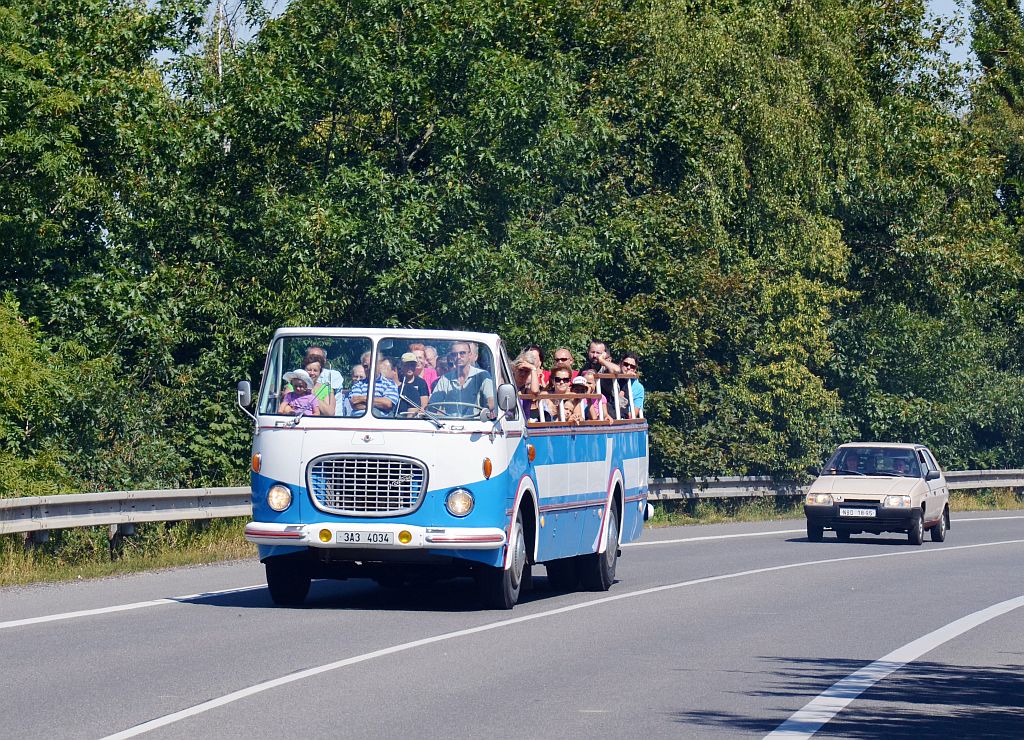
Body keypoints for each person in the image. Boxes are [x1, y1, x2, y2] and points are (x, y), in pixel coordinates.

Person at [428, 341, 495, 417]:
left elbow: (491, 401)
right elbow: (432, 406)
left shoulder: (482, 375)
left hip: (476, 421)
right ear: (451, 357)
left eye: (462, 353)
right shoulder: (445, 379)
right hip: (449, 422)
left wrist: (485, 412)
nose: (458, 357)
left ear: (469, 355)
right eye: (454, 354)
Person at [395, 352, 430, 416]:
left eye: (412, 365)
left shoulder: (421, 383)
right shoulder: (398, 381)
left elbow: (424, 405)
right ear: (401, 366)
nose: (410, 368)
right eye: (406, 365)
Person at [617, 352, 645, 418]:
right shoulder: (613, 380)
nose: (629, 368)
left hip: (625, 419)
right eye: (626, 364)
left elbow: (633, 415)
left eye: (632, 366)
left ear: (635, 369)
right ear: (621, 364)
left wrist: (623, 413)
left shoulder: (639, 388)